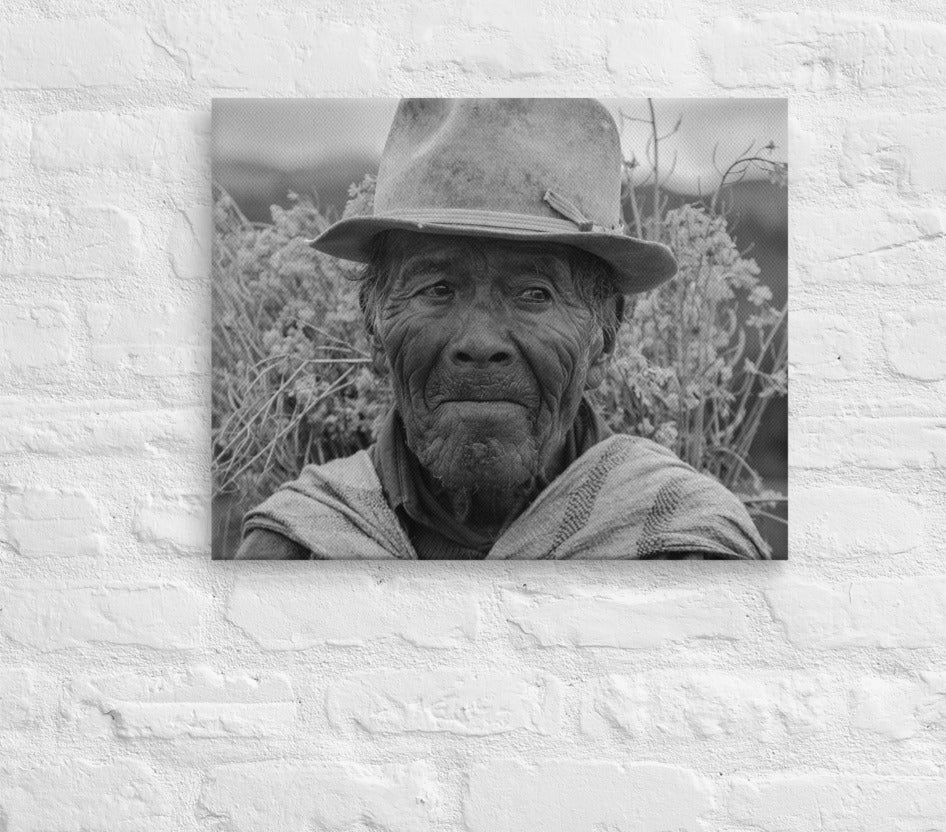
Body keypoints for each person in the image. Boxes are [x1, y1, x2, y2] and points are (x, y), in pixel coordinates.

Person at [236, 99, 768, 560]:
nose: (481, 343)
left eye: (534, 294)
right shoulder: (297, 546)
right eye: (437, 289)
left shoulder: (685, 545)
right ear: (374, 330)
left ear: (604, 337)